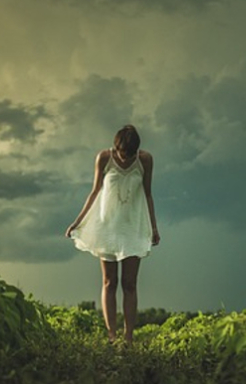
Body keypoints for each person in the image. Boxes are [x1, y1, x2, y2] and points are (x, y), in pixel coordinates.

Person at [65, 124, 161, 344]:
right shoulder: (104, 158)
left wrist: (153, 228)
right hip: (106, 227)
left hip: (133, 228)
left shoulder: (145, 160)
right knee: (110, 282)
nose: (126, 157)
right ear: (116, 147)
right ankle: (112, 336)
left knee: (130, 283)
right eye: (123, 153)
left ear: (138, 149)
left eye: (131, 153)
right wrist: (77, 222)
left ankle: (128, 338)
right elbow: (95, 191)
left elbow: (148, 195)